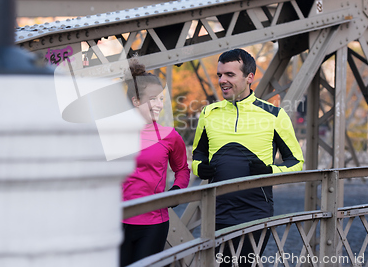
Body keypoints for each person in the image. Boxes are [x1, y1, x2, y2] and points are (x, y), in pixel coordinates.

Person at [191, 48, 304, 266]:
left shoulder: (274, 115)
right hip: (215, 212)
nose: (222, 80)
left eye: (230, 75)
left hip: (255, 212)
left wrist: (270, 171)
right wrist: (199, 167)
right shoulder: (208, 113)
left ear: (249, 77)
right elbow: (199, 154)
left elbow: (296, 162)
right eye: (219, 75)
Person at [120, 60, 190, 267]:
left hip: (153, 223)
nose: (159, 104)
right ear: (135, 101)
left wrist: (176, 191)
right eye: (153, 99)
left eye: (161, 98)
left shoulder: (170, 136)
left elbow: (182, 170)